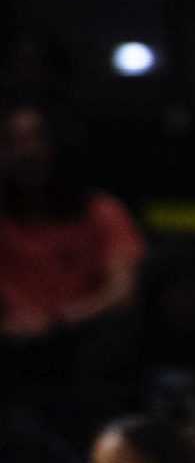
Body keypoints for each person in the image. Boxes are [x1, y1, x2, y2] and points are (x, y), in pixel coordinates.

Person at [0, 104, 146, 346]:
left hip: (80, 343)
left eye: (36, 139)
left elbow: (121, 293)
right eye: (12, 142)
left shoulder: (102, 211)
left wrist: (57, 320)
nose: (27, 153)